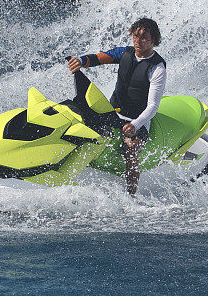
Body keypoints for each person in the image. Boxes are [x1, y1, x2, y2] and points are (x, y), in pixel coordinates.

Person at [68, 18, 166, 195]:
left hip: (137, 118)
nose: (138, 41)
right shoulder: (125, 53)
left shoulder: (157, 67)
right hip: (113, 111)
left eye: (144, 37)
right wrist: (80, 61)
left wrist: (135, 125)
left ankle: (131, 195)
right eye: (136, 36)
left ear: (154, 40)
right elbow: (97, 58)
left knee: (130, 150)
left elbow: (153, 106)